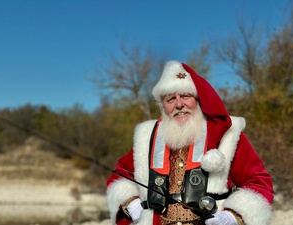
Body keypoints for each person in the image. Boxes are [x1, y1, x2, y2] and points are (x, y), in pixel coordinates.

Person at [106, 60, 273, 225]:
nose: (179, 104)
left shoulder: (227, 134)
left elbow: (258, 181)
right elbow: (119, 175)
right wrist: (131, 202)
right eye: (170, 99)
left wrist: (233, 216)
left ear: (198, 99)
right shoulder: (147, 137)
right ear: (163, 106)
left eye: (186, 96)